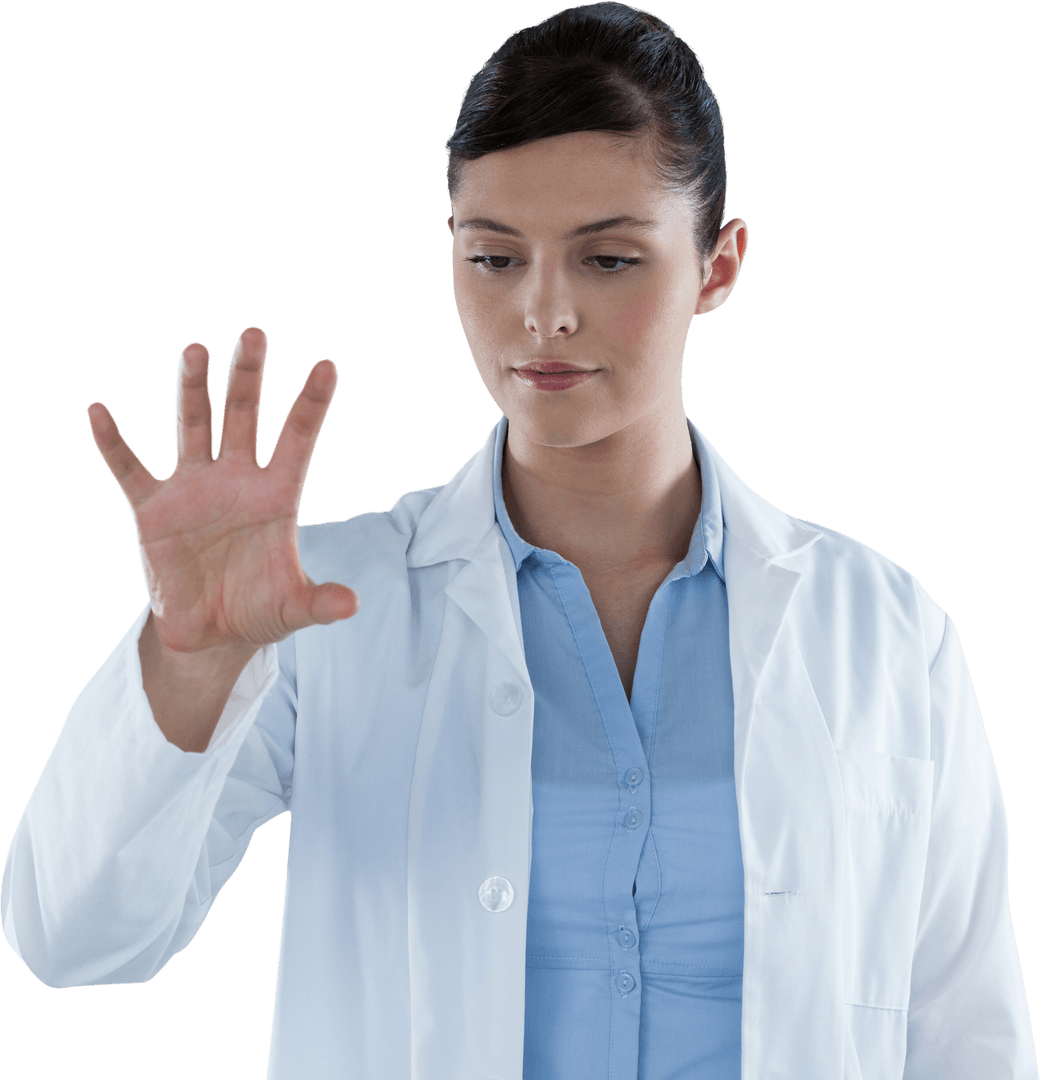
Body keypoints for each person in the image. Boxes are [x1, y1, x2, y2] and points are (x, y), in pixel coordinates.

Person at [1, 2, 1035, 1077]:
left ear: (716, 267)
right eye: (494, 259)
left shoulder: (881, 632)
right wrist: (192, 660)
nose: (542, 313)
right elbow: (72, 936)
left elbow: (968, 1038)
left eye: (608, 260)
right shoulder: (324, 602)